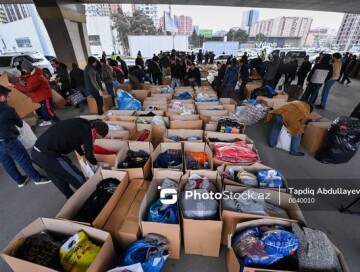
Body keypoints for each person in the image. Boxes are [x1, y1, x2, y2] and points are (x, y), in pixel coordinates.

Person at [31, 118, 109, 199]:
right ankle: (92, 197)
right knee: (78, 177)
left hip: (37, 151)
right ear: (97, 132)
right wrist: (96, 164)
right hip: (48, 154)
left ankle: (71, 198)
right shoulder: (88, 131)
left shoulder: (82, 123)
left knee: (57, 177)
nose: (96, 139)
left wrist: (82, 155)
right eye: (98, 137)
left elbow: (75, 139)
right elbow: (89, 154)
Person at [0, 86, 51, 187]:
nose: (8, 99)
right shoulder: (8, 109)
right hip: (8, 140)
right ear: (2, 98)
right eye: (7, 97)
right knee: (23, 159)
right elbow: (19, 124)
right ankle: (37, 178)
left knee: (6, 162)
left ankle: (20, 180)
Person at [11, 60, 59, 127]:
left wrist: (15, 86)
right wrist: (21, 78)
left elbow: (28, 89)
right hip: (40, 96)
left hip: (44, 96)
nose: (23, 70)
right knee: (43, 110)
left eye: (24, 69)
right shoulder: (33, 73)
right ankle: (47, 120)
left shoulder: (36, 77)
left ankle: (58, 122)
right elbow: (28, 78)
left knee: (48, 111)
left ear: (27, 68)